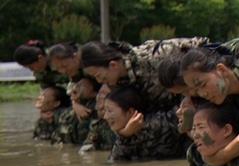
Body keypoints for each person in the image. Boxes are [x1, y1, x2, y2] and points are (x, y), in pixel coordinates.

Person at [80, 37, 208, 112]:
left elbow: (203, 45)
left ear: (113, 65)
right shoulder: (119, 86)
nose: (99, 81)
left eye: (98, 75)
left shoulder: (156, 54)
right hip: (174, 114)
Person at [104, 86, 187, 161]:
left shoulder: (160, 122)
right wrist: (125, 135)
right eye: (105, 111)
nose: (105, 116)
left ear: (130, 112)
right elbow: (115, 162)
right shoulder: (122, 134)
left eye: (109, 111)